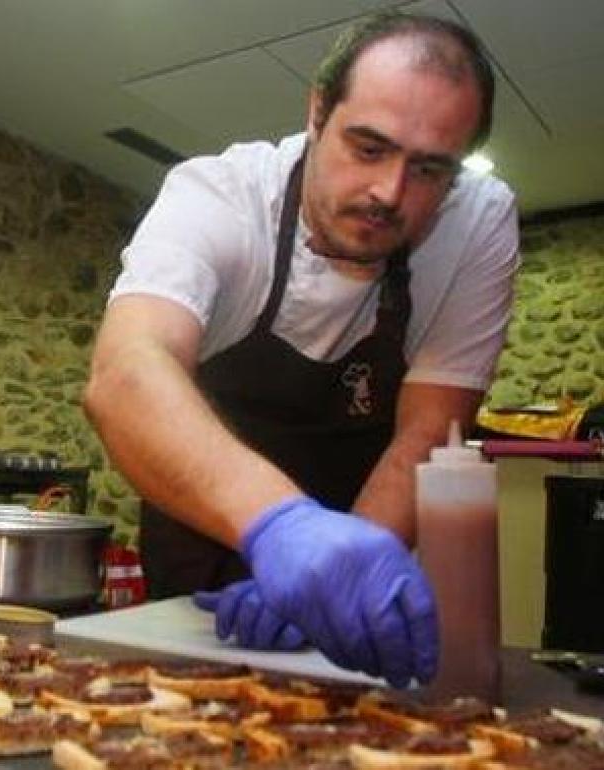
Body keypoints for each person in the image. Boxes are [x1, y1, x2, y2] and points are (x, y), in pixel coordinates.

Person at [82, 12, 519, 687]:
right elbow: (127, 372)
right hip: (206, 539)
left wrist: (344, 566)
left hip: (362, 530)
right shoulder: (219, 197)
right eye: (368, 147)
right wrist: (284, 527)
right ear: (317, 110)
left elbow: (432, 427)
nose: (390, 193)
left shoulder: (479, 221)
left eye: (430, 169)